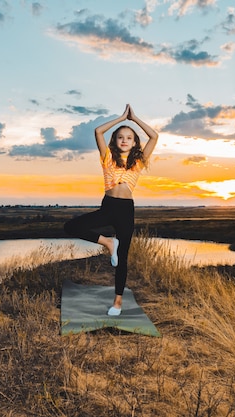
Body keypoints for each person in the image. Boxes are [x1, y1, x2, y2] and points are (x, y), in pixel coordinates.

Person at [64, 104, 159, 316]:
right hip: (108, 206)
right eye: (120, 137)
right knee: (71, 226)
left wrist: (134, 119)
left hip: (126, 210)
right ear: (115, 141)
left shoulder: (138, 161)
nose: (124, 140)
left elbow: (154, 137)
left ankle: (117, 303)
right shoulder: (107, 158)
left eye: (129, 137)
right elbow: (98, 131)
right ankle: (108, 242)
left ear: (135, 143)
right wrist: (120, 118)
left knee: (122, 257)